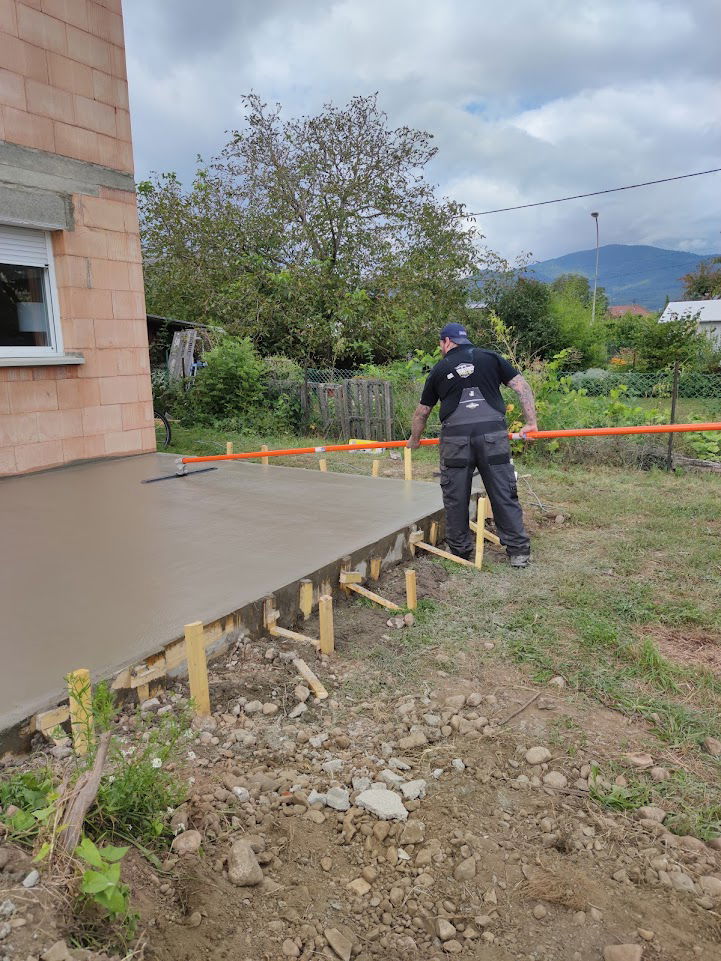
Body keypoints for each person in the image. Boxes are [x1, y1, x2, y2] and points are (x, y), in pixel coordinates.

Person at [407, 322, 537, 568]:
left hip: (456, 441)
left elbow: (422, 412)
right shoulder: (491, 358)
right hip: (493, 437)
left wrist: (414, 440)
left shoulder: (439, 369)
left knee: (456, 495)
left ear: (446, 342)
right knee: (502, 491)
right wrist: (531, 423)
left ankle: (460, 551)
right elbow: (522, 387)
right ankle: (518, 552)